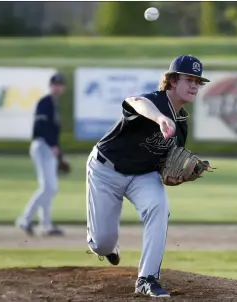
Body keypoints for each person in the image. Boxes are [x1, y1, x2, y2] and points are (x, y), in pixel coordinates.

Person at [85, 55, 210, 297]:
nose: (194, 85)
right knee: (102, 243)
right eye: (189, 79)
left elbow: (167, 163)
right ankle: (106, 247)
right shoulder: (154, 101)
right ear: (172, 81)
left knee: (159, 207)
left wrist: (173, 178)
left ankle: (147, 279)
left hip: (142, 175)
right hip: (105, 170)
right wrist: (160, 118)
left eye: (198, 81)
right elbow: (134, 101)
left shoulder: (182, 122)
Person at [16, 73, 67, 237]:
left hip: (49, 148)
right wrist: (52, 145)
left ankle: (46, 224)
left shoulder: (53, 104)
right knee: (49, 187)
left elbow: (53, 131)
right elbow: (41, 126)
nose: (57, 87)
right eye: (55, 84)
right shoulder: (45, 102)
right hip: (42, 145)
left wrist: (59, 155)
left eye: (60, 84)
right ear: (50, 85)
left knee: (49, 188)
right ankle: (25, 219)